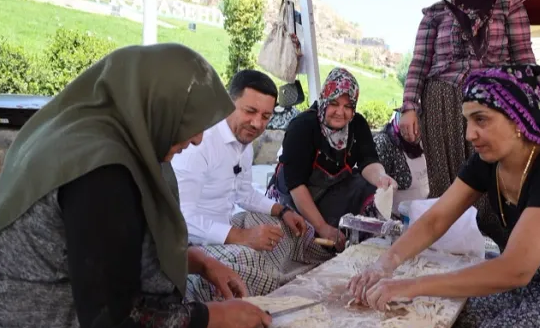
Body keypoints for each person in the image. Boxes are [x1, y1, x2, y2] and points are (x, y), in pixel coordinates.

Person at [0, 44, 274, 328]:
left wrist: (196, 261)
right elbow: (113, 326)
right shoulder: (99, 170)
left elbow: (101, 252)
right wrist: (217, 317)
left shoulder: (98, 136)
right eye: (187, 124)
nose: (197, 139)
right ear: (155, 105)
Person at [349, 65, 540, 328]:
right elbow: (436, 219)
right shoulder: (489, 161)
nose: (469, 134)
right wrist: (385, 264)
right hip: (538, 276)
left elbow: (516, 269)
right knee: (455, 320)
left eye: (481, 120)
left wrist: (412, 285)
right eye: (467, 121)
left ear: (518, 119)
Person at [398, 0, 536, 228]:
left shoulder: (508, 3)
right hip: (441, 101)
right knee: (444, 179)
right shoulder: (435, 13)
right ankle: (449, 243)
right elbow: (418, 64)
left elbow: (524, 59)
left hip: (492, 101)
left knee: (490, 173)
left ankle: (490, 243)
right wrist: (409, 107)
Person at [172, 70, 307, 249]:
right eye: (250, 111)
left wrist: (283, 211)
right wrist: (243, 236)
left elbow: (244, 194)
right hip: (191, 247)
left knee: (290, 232)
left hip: (226, 231)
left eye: (266, 116)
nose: (257, 124)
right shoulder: (199, 144)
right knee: (250, 258)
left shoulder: (244, 144)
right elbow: (181, 219)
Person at [267, 68, 397, 251]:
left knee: (365, 185)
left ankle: (356, 237)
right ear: (324, 101)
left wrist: (381, 178)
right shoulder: (303, 127)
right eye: (334, 103)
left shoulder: (357, 125)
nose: (340, 112)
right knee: (310, 238)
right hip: (293, 196)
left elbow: (368, 160)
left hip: (328, 191)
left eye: (348, 106)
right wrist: (323, 228)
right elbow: (295, 184)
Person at [373, 111, 427, 211]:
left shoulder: (427, 139)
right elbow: (373, 194)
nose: (413, 131)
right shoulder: (384, 143)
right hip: (397, 220)